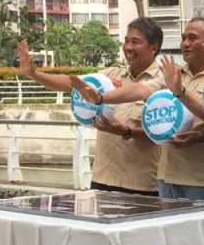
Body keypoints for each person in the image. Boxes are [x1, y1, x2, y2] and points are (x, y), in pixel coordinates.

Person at [72, 18, 204, 202]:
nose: (185, 44)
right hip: (165, 179)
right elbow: (140, 90)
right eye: (183, 38)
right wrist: (101, 98)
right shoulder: (173, 75)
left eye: (192, 38)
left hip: (200, 181)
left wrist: (202, 137)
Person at [19, 18, 163, 195]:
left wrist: (125, 131)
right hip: (102, 179)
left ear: (153, 48)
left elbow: (162, 133)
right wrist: (34, 75)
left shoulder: (163, 81)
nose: (128, 47)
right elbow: (74, 83)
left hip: (141, 184)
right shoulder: (113, 74)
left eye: (135, 42)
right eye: (126, 41)